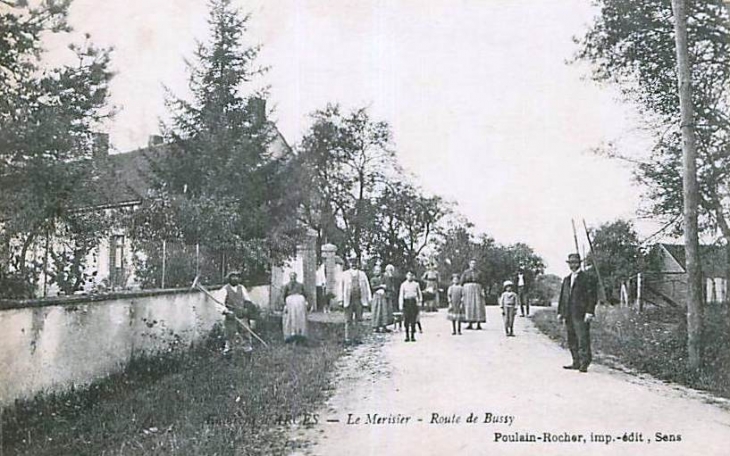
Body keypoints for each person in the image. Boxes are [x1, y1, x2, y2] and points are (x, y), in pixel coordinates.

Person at [557, 253, 598, 373]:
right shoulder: (566, 279)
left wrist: (589, 312)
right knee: (571, 338)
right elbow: (562, 297)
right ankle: (576, 361)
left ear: (579, 263)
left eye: (575, 262)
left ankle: (585, 362)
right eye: (570, 263)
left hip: (581, 313)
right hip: (568, 313)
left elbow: (592, 296)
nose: (572, 265)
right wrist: (560, 312)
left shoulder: (587, 278)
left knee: (583, 338)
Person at [221, 271, 258, 355]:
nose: (235, 278)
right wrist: (226, 312)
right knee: (230, 337)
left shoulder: (241, 288)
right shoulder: (225, 289)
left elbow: (248, 301)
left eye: (237, 276)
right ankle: (229, 357)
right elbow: (219, 304)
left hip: (242, 316)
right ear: (229, 278)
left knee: (246, 336)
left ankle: (247, 356)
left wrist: (247, 311)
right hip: (231, 318)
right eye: (233, 276)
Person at [340, 256, 372, 345]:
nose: (353, 264)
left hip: (359, 299)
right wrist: (340, 299)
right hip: (348, 300)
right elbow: (341, 287)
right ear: (349, 264)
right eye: (351, 262)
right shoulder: (345, 274)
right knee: (348, 320)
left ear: (357, 264)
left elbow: (367, 286)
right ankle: (348, 339)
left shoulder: (362, 274)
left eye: (355, 262)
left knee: (359, 319)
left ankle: (358, 338)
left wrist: (369, 298)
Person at [281, 272, 308, 344]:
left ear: (296, 277)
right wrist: (284, 305)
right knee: (290, 318)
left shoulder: (300, 285)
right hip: (290, 302)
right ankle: (290, 335)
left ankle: (300, 334)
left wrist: (306, 302)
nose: (292, 279)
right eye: (291, 277)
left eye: (294, 277)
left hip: (299, 302)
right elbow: (283, 296)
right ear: (289, 278)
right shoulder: (286, 286)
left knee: (300, 318)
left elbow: (305, 294)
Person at [460, 259, 486, 330]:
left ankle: (478, 324)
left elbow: (483, 282)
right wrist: (462, 291)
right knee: (469, 306)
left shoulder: (479, 272)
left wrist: (483, 290)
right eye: (472, 263)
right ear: (469, 264)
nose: (473, 265)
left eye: (474, 263)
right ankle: (470, 323)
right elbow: (462, 282)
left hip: (477, 289)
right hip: (468, 290)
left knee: (478, 306)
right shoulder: (466, 272)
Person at [399, 271, 423, 342]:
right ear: (406, 276)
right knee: (406, 319)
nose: (410, 276)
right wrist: (401, 305)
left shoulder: (416, 284)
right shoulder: (403, 285)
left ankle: (412, 336)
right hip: (406, 302)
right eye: (408, 275)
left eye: (411, 275)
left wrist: (419, 302)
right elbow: (401, 295)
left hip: (413, 302)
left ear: (413, 276)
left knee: (413, 319)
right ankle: (407, 336)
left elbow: (419, 294)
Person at [370, 265, 391, 333]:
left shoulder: (384, 278)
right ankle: (375, 326)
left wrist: (385, 288)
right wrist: (380, 286)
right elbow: (373, 287)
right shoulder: (373, 279)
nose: (377, 272)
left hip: (383, 296)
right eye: (376, 270)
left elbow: (388, 286)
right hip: (376, 296)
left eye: (378, 270)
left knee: (384, 311)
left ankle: (384, 326)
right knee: (376, 311)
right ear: (373, 272)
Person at [384, 264, 397, 331]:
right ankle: (384, 325)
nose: (390, 271)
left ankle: (388, 324)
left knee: (390, 310)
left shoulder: (391, 277)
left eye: (391, 270)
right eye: (389, 270)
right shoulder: (385, 276)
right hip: (385, 294)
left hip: (390, 294)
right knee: (385, 310)